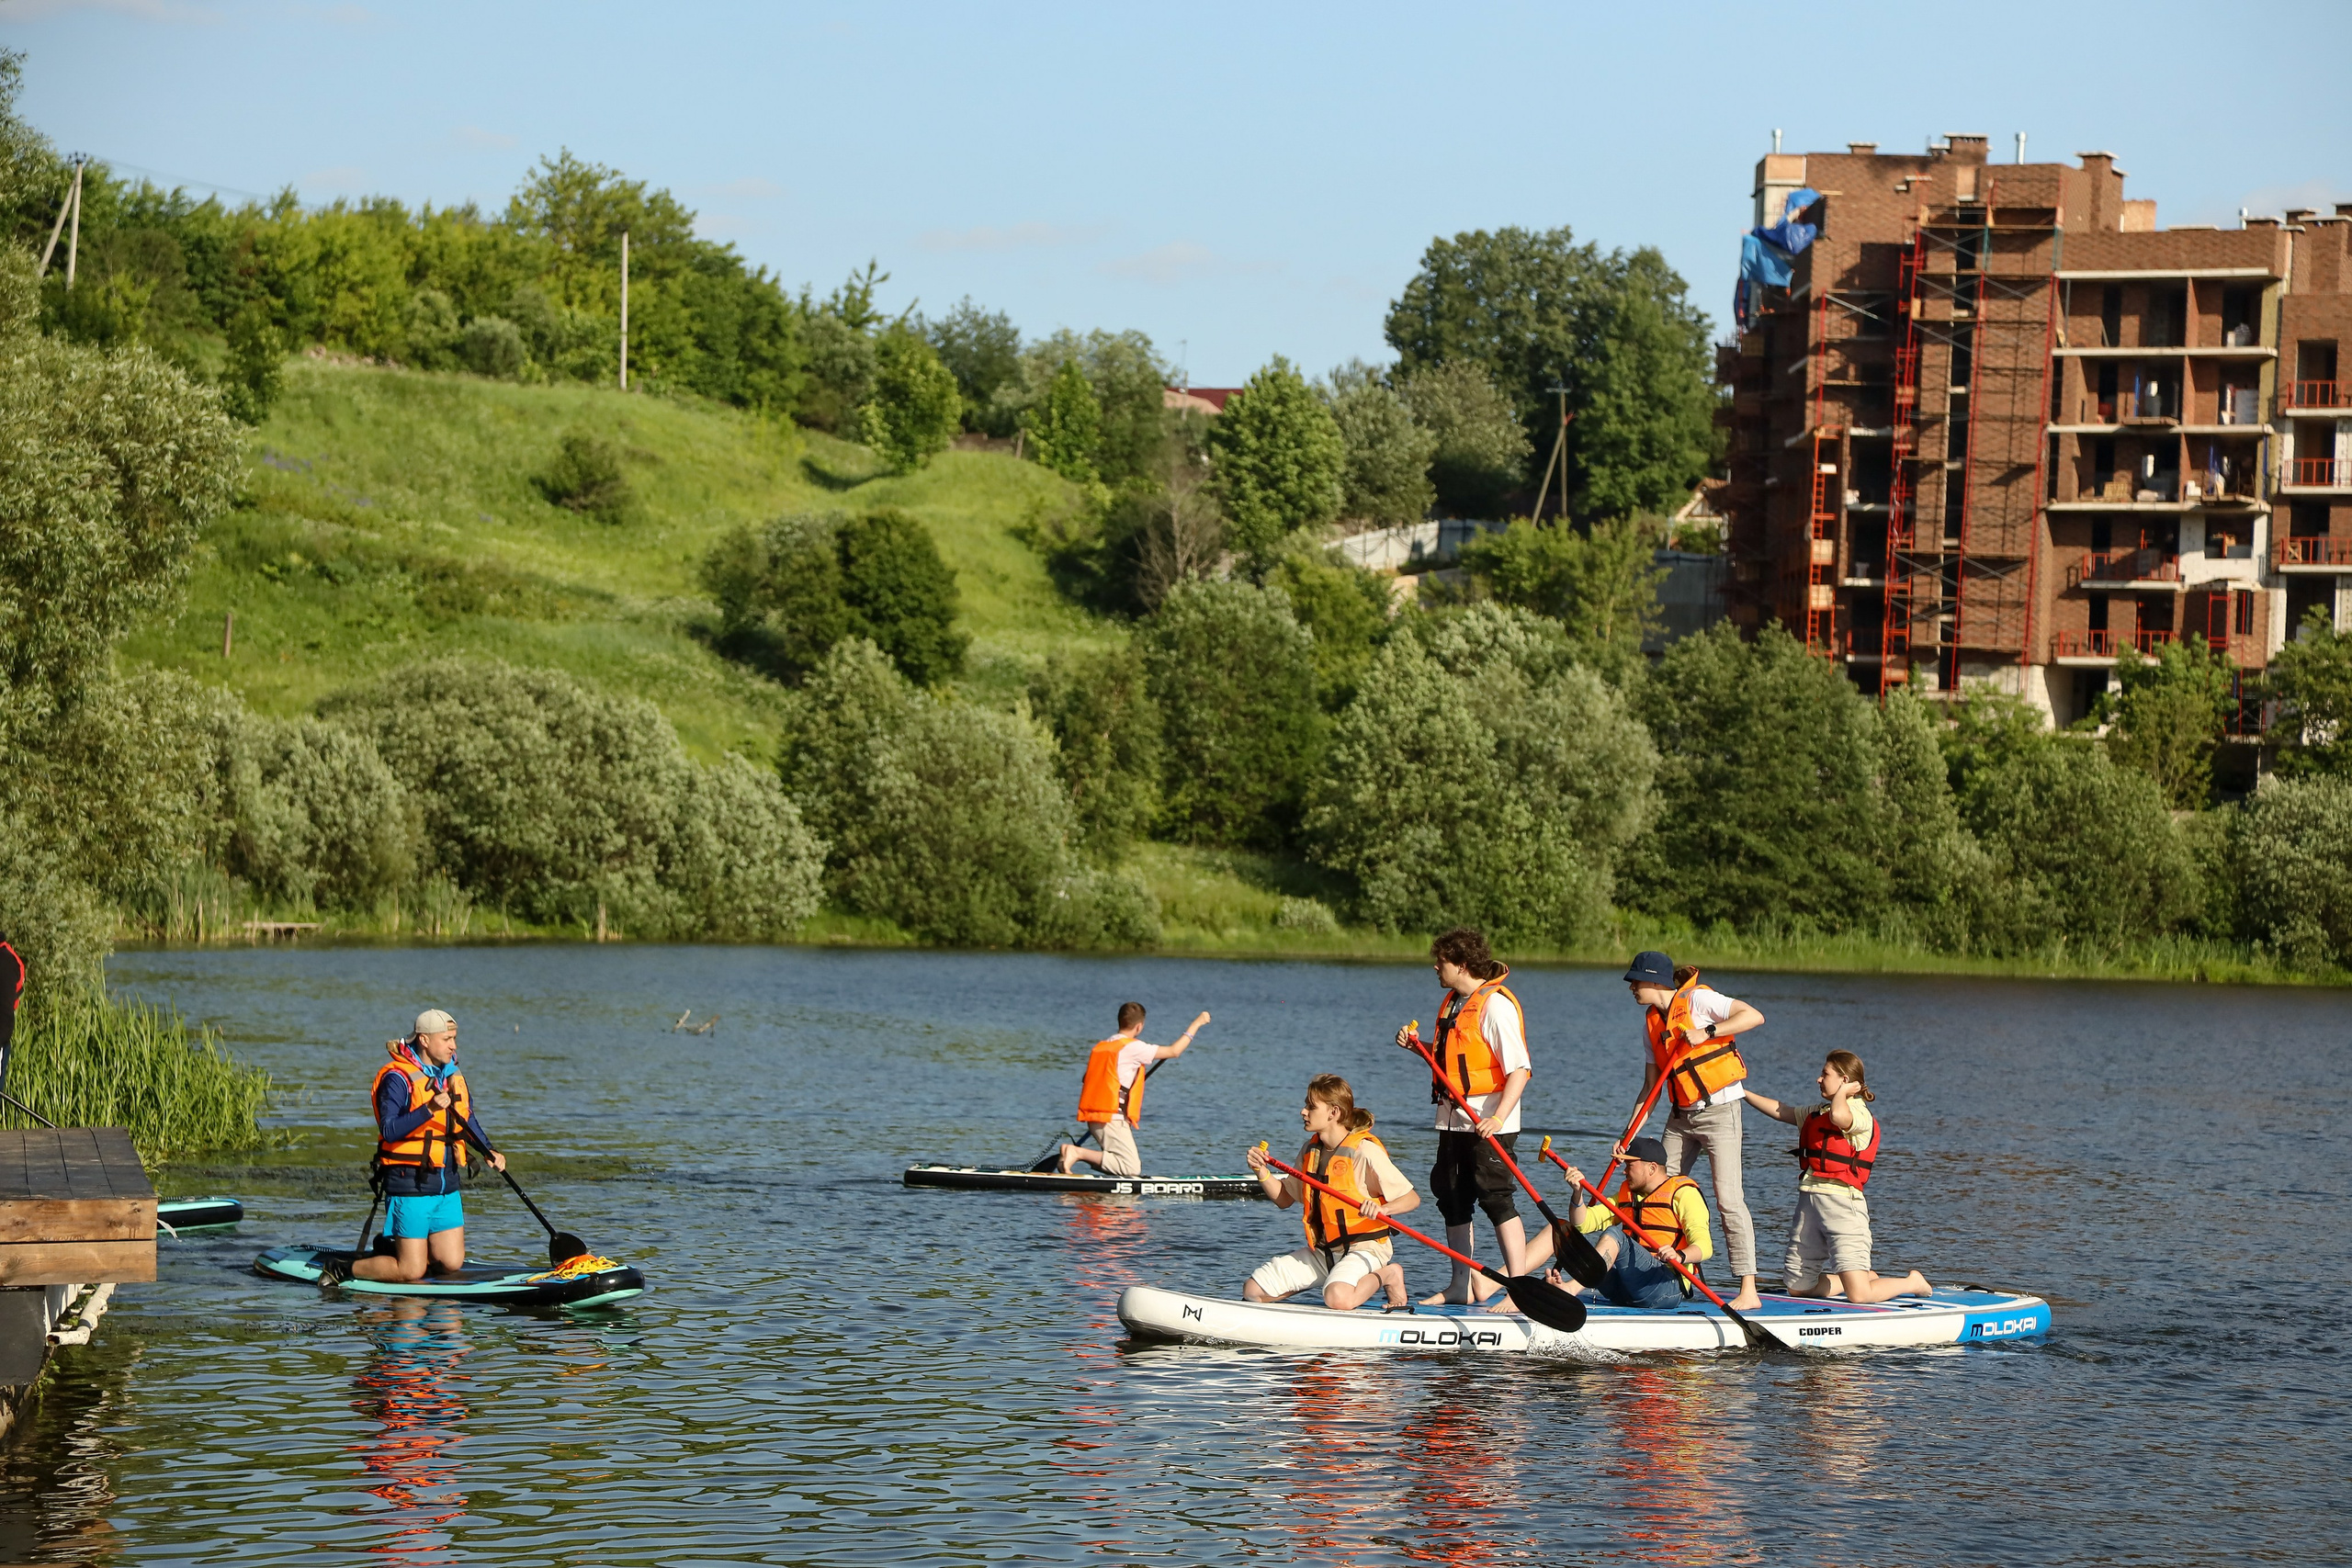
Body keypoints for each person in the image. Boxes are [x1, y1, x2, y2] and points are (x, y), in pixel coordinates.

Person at [1394, 927, 1532, 1306]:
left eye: (1442, 962)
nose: (1436, 967)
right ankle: (1460, 1285)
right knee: (1451, 1196)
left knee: (1496, 1198)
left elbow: (1519, 1069)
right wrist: (1418, 1047)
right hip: (1452, 1119)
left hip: (1489, 1122)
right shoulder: (1455, 1003)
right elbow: (1450, 1060)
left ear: (1463, 964)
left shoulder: (1495, 1006)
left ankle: (1518, 1288)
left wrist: (1499, 1118)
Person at [1623, 951, 1766, 1311]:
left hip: (1720, 1112)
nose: (1632, 988)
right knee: (1652, 1190)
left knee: (1728, 1199)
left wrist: (1707, 1031)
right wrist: (1629, 1136)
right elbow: (1649, 1086)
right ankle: (1666, 1270)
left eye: (1636, 981)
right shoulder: (1650, 1024)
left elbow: (1753, 1016)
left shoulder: (1698, 999)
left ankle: (1748, 1288)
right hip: (1680, 1116)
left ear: (1655, 981)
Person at [325, 1009, 505, 1287]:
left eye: (454, 1039)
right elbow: (389, 1129)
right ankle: (344, 1268)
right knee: (411, 1271)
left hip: (446, 1183)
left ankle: (396, 1247)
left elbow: (464, 1118)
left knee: (451, 1262)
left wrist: (488, 1150)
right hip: (409, 1183)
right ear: (424, 1040)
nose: (453, 1045)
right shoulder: (397, 1079)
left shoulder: (451, 1075)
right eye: (446, 1039)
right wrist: (429, 1108)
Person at [1745, 1050, 1929, 1303]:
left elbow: (1840, 1117)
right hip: (1809, 1203)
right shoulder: (1819, 1111)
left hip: (1843, 1205)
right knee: (1799, 1288)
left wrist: (1843, 1093)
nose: (1819, 1080)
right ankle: (1854, 1279)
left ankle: (1912, 1282)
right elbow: (1783, 1111)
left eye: (1825, 1074)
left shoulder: (1858, 1112)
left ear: (1844, 1080)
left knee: (1860, 1296)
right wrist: (1741, 1093)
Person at [1244, 1075, 1417, 1311]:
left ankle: (1389, 1275)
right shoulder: (1309, 1151)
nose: (1303, 1112)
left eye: (1311, 1106)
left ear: (1333, 1113)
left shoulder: (1364, 1151)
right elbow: (1284, 1199)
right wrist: (1261, 1171)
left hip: (1366, 1248)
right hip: (1325, 1252)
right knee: (1253, 1290)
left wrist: (1383, 1209)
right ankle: (1336, 1279)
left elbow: (1411, 1198)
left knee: (1337, 1299)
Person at [1541, 1136, 1714, 1309]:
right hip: (1626, 1288)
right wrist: (1577, 1194)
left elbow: (1705, 1247)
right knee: (1573, 1239)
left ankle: (1571, 1288)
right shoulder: (1626, 1196)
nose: (1624, 1171)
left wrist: (1679, 1255)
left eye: (1629, 1166)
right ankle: (1554, 1287)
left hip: (1665, 1288)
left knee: (1615, 1234)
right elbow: (1582, 1223)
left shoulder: (1684, 1195)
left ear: (1652, 1168)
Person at [1058, 1003, 1208, 1177]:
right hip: (1112, 1118)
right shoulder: (1133, 1047)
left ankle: (1084, 1166)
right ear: (1139, 1026)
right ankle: (1076, 1153)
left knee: (1121, 1164)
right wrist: (1196, 1024)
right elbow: (1174, 1051)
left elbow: (1088, 1078)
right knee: (1130, 1168)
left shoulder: (1104, 1046)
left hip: (1096, 1116)